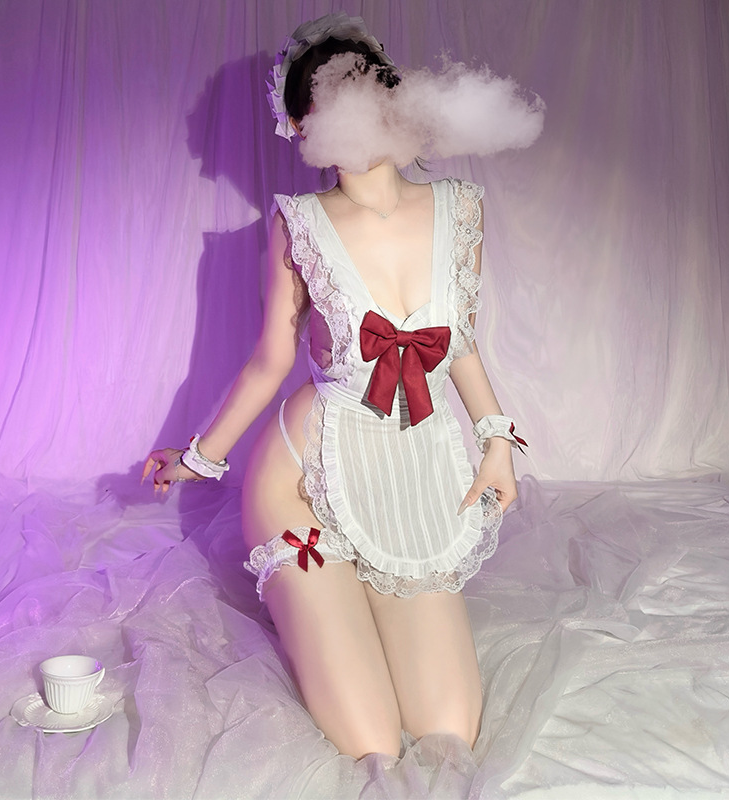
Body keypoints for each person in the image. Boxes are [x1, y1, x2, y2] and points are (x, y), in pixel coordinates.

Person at [143, 13, 524, 760]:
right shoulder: (299, 224)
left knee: (448, 730)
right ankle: (323, 593)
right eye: (332, 103)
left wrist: (496, 442)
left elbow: (460, 343)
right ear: (299, 125)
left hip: (408, 475)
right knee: (372, 742)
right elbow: (268, 361)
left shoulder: (461, 210)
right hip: (302, 481)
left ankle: (367, 595)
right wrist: (196, 458)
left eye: (369, 93)